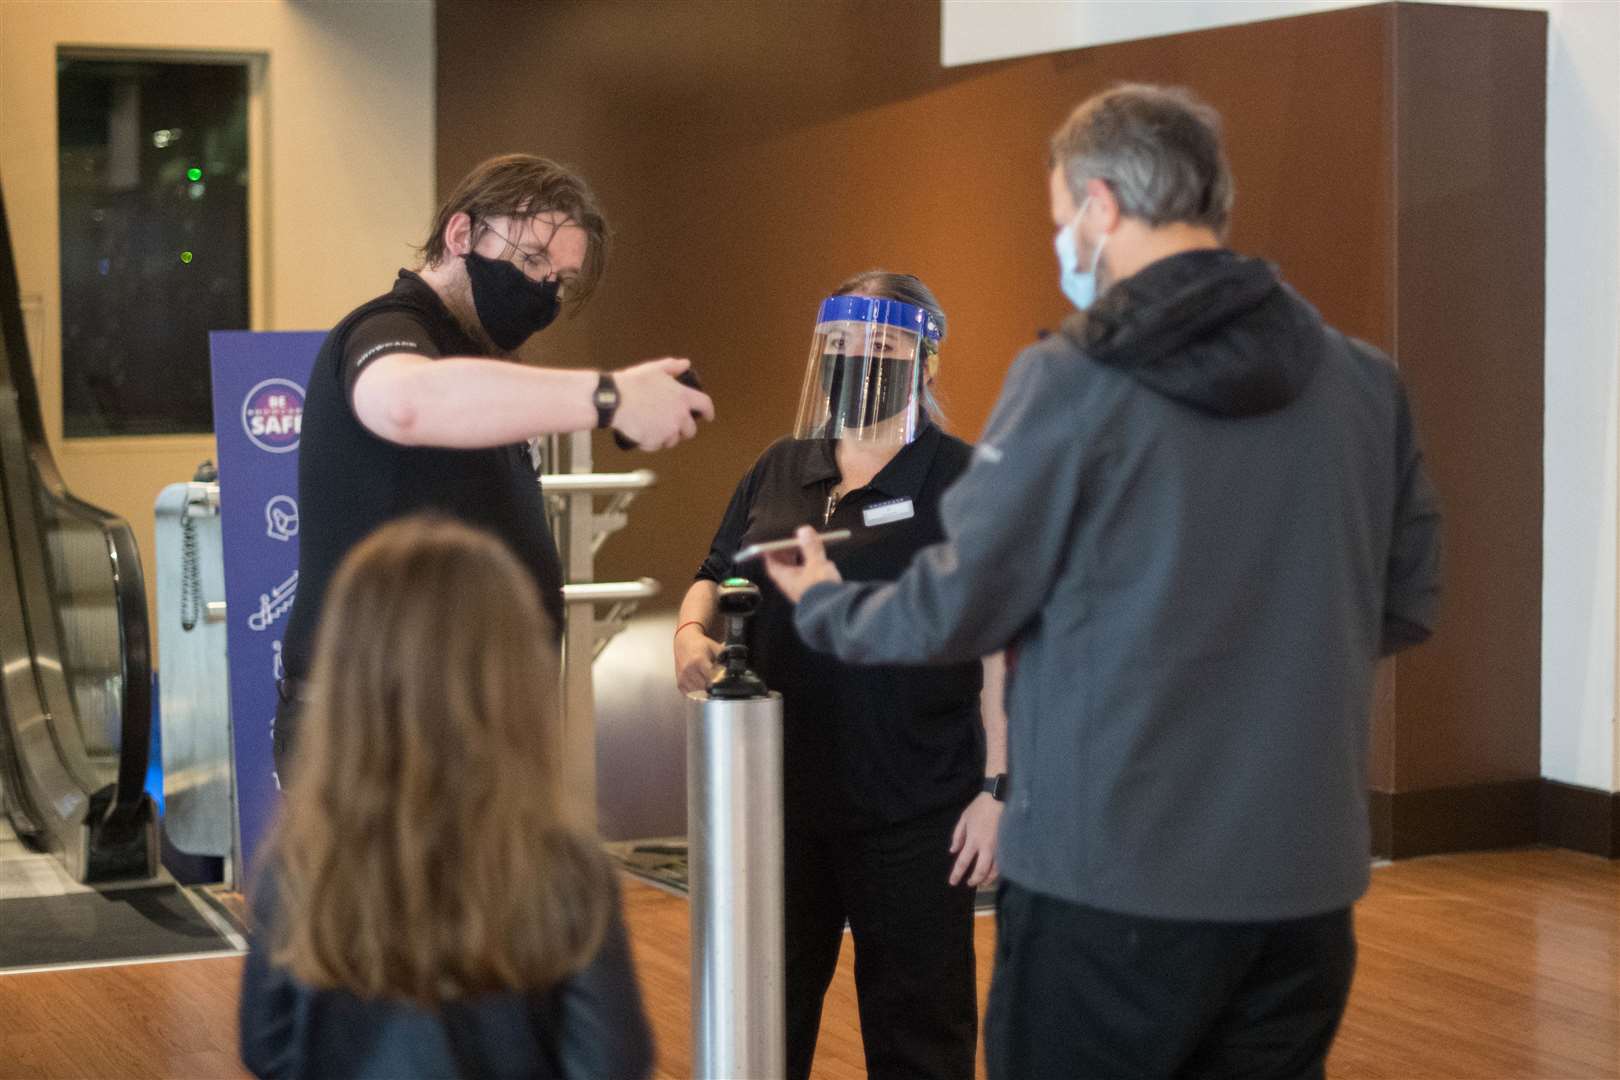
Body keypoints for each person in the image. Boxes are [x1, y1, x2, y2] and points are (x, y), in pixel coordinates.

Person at [764, 84, 1442, 1080]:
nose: (1064, 244)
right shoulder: (1365, 382)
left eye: (1057, 220)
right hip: (1304, 890)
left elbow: (960, 605)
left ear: (1101, 206)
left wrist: (823, 598)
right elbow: (1404, 600)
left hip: (1111, 883)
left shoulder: (1072, 381)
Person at [274, 153, 714, 782]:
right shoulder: (386, 328)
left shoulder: (473, 365)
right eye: (532, 260)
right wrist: (608, 397)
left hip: (467, 730)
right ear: (461, 235)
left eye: (560, 280)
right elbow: (403, 401)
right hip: (379, 734)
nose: (543, 291)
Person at [674, 271, 1008, 1080]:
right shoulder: (781, 467)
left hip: (918, 807)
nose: (860, 361)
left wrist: (999, 789)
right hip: (777, 801)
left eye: (883, 348)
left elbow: (1006, 639)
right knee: (765, 1023)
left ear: (925, 363)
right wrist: (690, 631)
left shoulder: (967, 479)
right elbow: (719, 573)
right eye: (842, 347)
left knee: (918, 1036)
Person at [240, 515, 653, 1079]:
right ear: (511, 679)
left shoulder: (297, 861)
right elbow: (610, 1063)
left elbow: (267, 1047)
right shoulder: (567, 869)